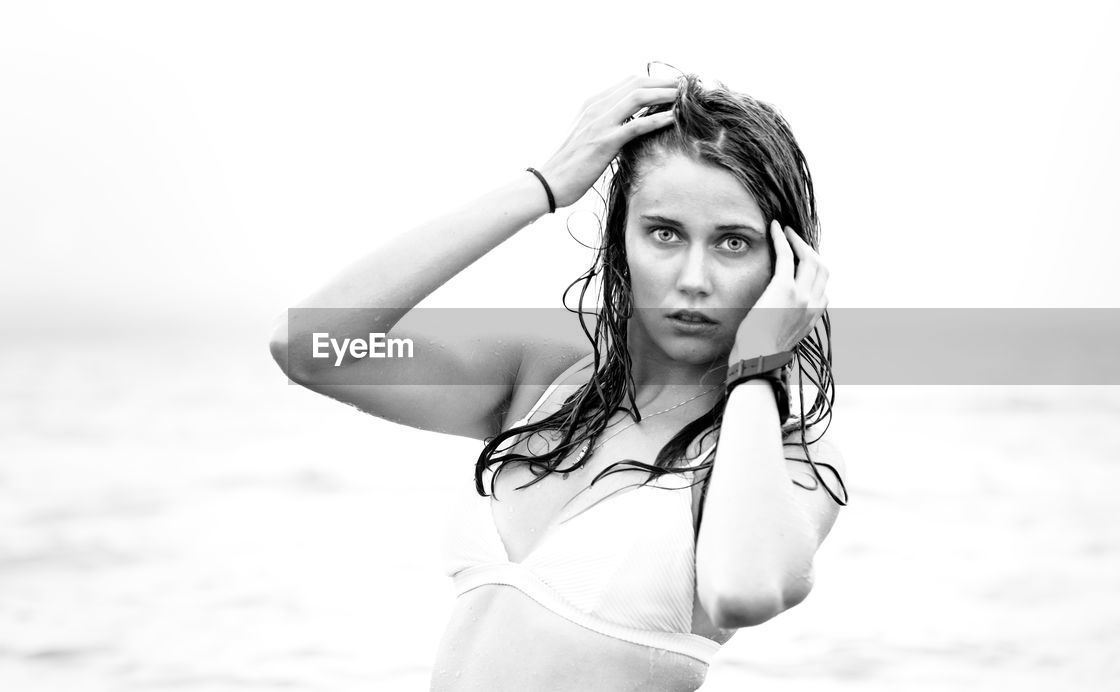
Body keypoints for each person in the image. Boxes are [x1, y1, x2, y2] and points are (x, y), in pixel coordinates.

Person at [270, 69, 849, 691]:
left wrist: (757, 370)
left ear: (786, 262)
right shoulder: (551, 373)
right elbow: (307, 348)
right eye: (663, 233)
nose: (693, 277)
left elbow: (743, 592)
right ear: (619, 237)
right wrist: (544, 185)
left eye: (733, 242)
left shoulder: (791, 457)